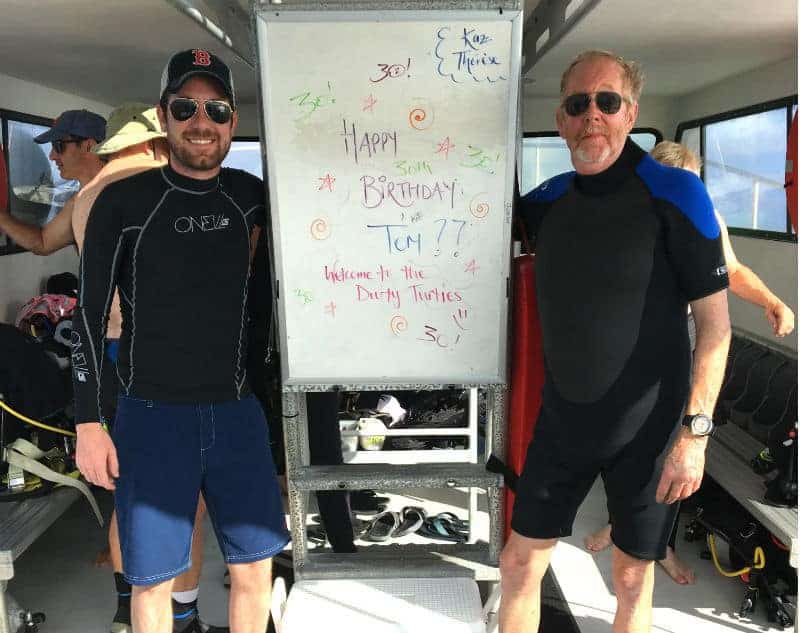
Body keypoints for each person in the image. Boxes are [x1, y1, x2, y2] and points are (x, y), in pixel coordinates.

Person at [500, 50, 731, 633]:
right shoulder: (547, 204)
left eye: (607, 102)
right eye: (579, 104)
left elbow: (716, 328)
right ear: (560, 119)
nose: (592, 116)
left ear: (630, 113)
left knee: (631, 577)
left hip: (650, 432)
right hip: (564, 423)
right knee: (519, 563)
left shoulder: (676, 194)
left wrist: (694, 436)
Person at [72, 48, 289, 633]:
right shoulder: (123, 203)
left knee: (254, 566)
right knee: (150, 581)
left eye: (216, 109)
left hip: (237, 412)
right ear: (164, 115)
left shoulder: (252, 197)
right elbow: (88, 315)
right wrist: (87, 421)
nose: (202, 121)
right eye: (186, 106)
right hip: (150, 415)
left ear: (232, 122)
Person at [583, 140, 796, 585]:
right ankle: (622, 523)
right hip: (627, 347)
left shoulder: (706, 216)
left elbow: (731, 270)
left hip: (683, 343)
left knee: (675, 447)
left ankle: (659, 544)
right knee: (621, 444)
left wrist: (771, 300)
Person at [70, 103, 223, 633]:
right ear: (160, 142)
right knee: (191, 497)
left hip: (109, 360)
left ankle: (126, 611)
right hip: (160, 362)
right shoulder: (157, 191)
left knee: (131, 496)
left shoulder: (86, 198)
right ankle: (182, 617)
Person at [0, 109, 105, 253]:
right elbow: (43, 243)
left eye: (59, 146)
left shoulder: (127, 191)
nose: (52, 156)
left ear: (89, 146)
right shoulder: (77, 202)